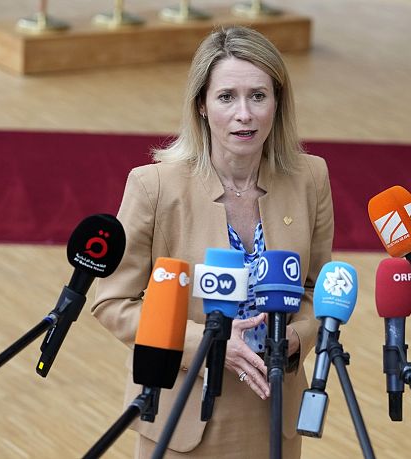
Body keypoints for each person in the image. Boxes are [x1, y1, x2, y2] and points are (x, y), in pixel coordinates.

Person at [91, 26, 333, 458]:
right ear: (201, 105)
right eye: (226, 97)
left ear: (278, 102)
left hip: (272, 409)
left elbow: (318, 289)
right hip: (182, 414)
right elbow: (113, 301)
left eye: (258, 96)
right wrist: (204, 344)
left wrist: (297, 337)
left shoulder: (310, 178)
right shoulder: (154, 187)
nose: (244, 114)